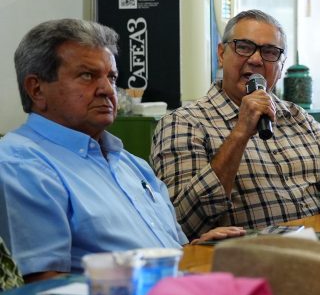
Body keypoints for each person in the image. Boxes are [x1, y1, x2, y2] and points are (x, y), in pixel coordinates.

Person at [0, 20, 242, 281]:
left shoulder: (130, 164)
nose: (107, 90)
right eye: (87, 76)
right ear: (36, 89)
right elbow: (46, 291)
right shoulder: (21, 165)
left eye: (111, 77)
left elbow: (171, 248)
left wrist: (194, 250)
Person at [153, 10, 320, 239]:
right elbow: (180, 222)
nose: (255, 60)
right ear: (221, 54)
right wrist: (241, 132)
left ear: (281, 66)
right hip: (243, 264)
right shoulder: (183, 122)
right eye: (243, 47)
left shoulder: (297, 117)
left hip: (314, 256)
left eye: (269, 52)